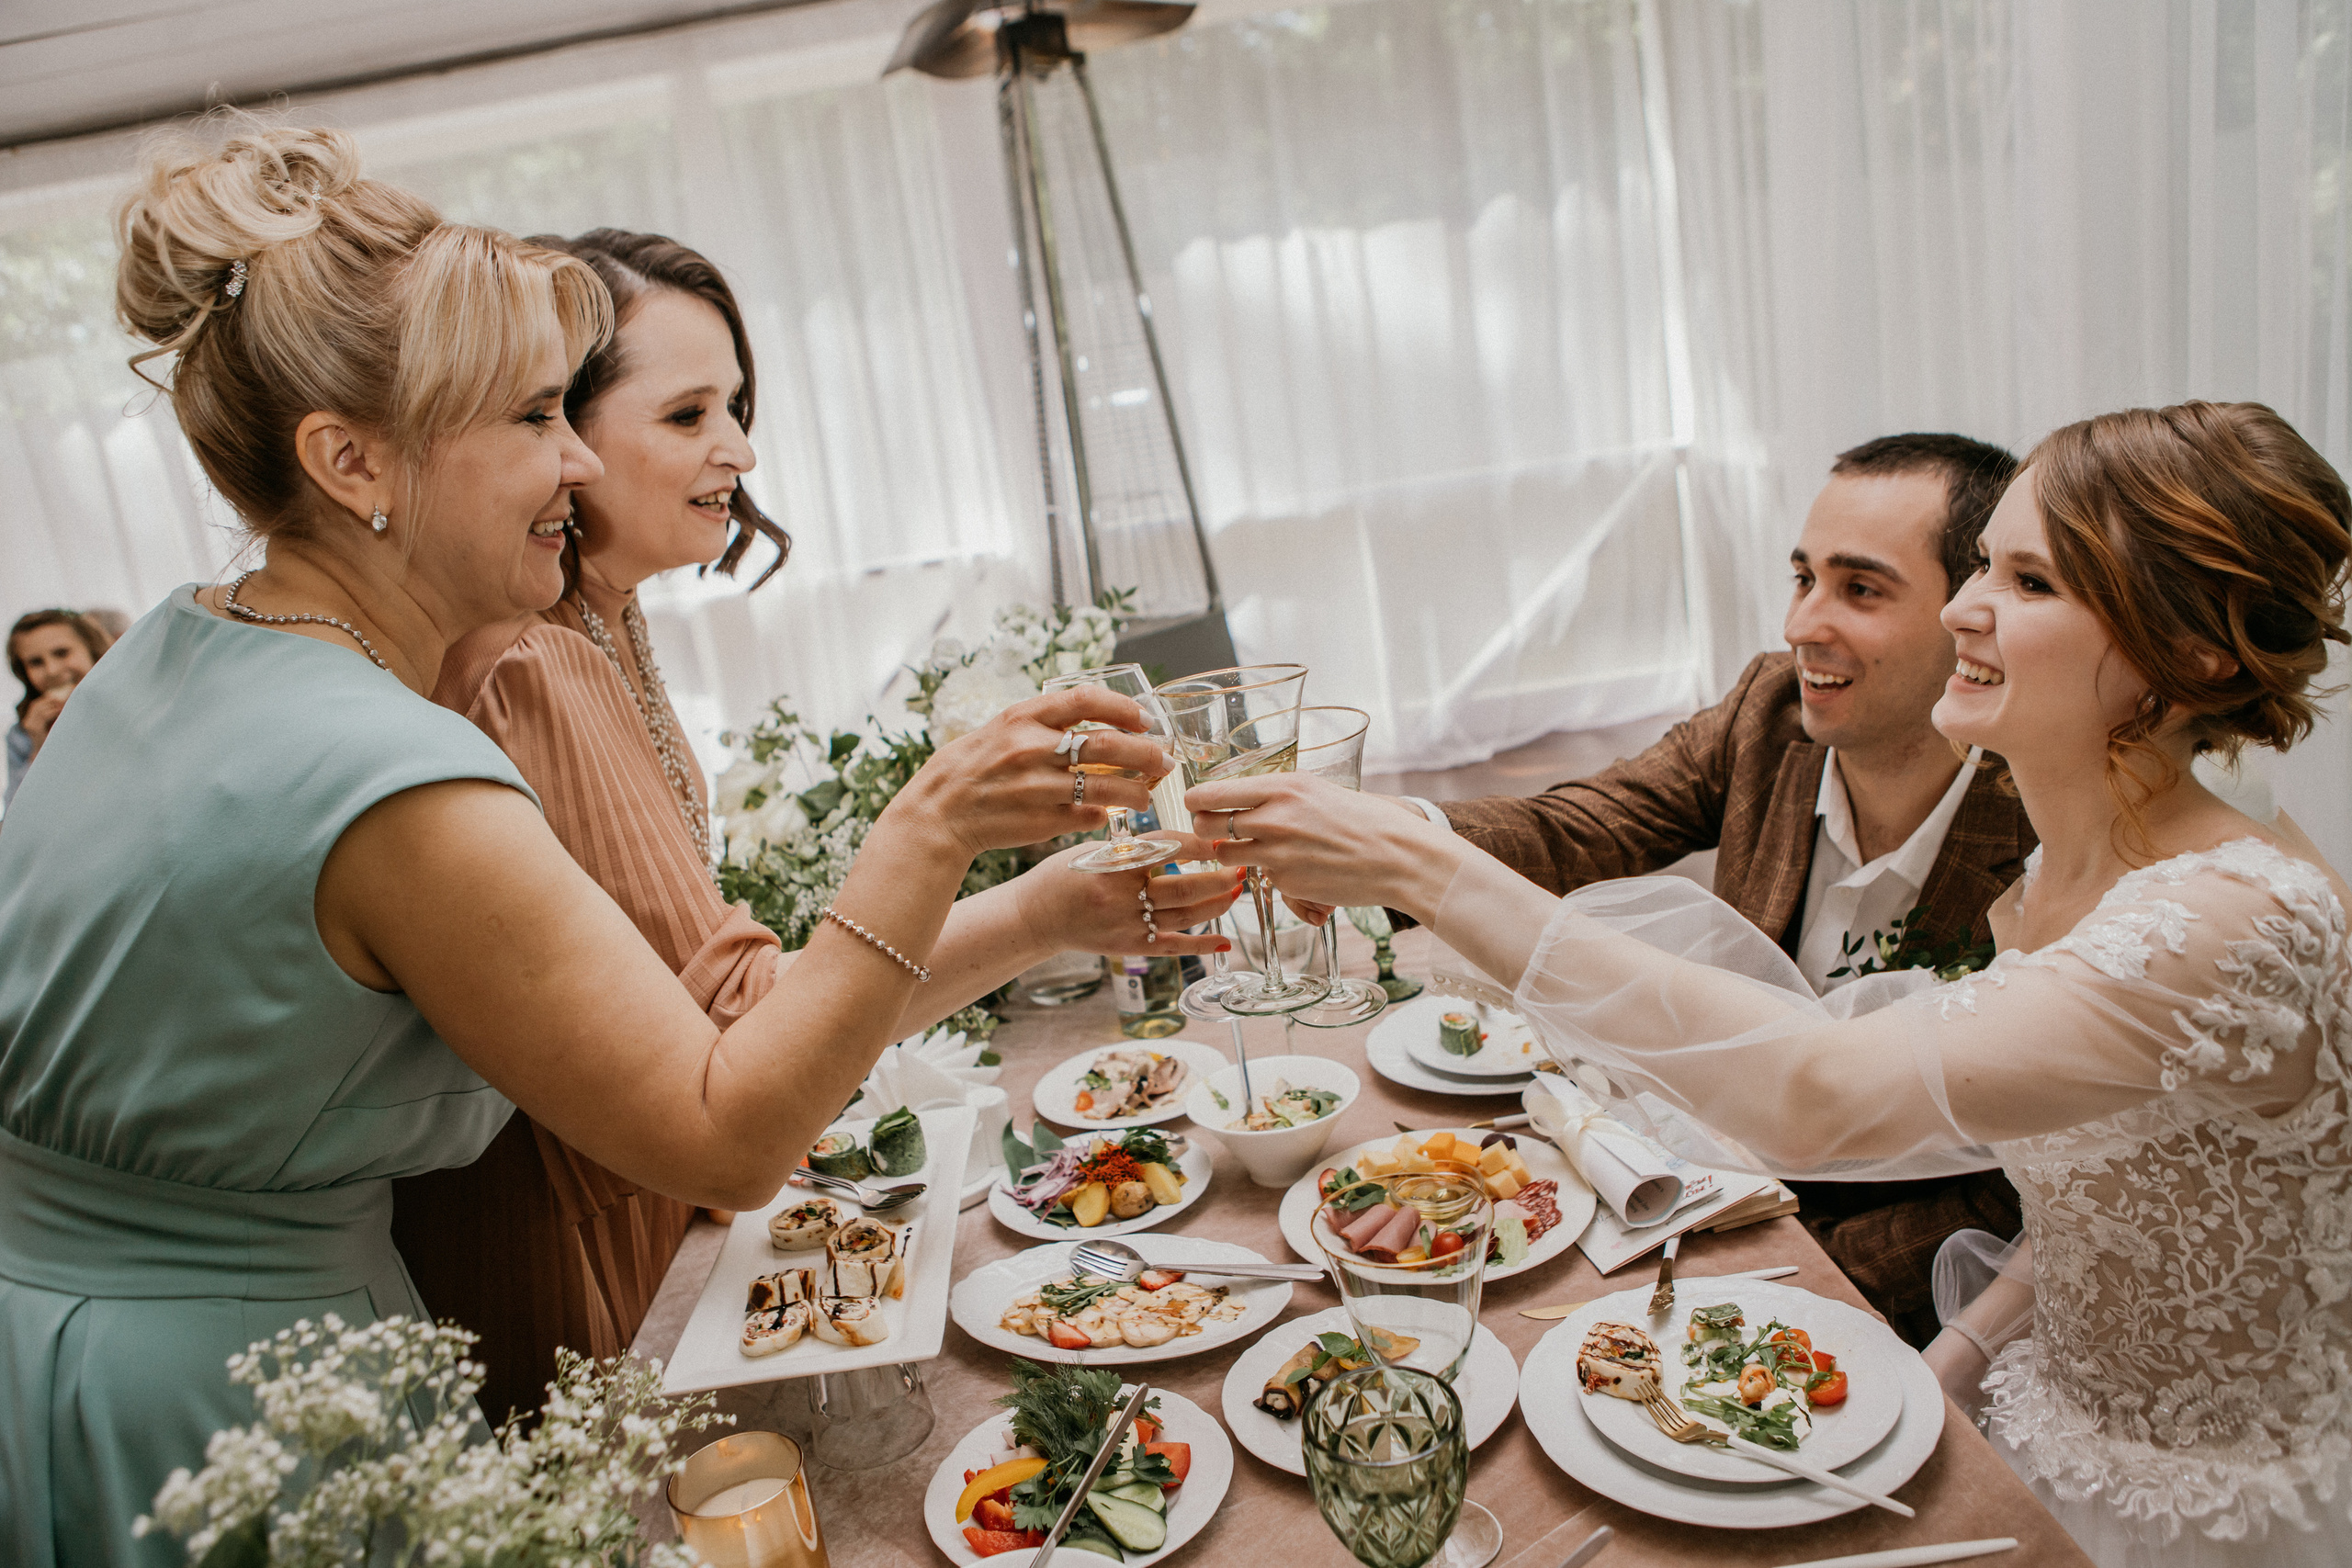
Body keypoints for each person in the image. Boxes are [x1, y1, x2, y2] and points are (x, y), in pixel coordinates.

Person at [0, 120, 1181, 1568]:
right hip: (221, 1397)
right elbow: (728, 1133)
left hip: (49, 1355)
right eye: (530, 416)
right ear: (349, 458)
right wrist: (934, 823)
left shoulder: (174, 644)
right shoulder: (392, 776)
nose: (575, 457)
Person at [1202, 400, 2352, 1565]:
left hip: (2197, 1503)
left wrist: (1418, 866)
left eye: (2030, 582)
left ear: (2195, 653)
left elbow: (1819, 1090)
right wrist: (1957, 1361)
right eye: (1981, 566)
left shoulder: (2230, 920)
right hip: (2033, 1396)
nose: (1965, 608)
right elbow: (2110, 1197)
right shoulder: (2083, 859)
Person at [396, 227, 1240, 1423]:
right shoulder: (534, 658)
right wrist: (1014, 891)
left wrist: (1048, 910)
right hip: (599, 1262)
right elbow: (740, 1025)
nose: (740, 450)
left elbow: (723, 1002)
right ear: (561, 434)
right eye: (687, 414)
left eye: (735, 407)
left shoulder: (604, 618)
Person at [1393, 434, 2030, 1343]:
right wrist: (1388, 836)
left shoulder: (2041, 821)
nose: (1801, 624)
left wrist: (1789, 1276)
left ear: (1971, 615)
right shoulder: (1767, 714)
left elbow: (2017, 1186)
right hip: (1708, 1177)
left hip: (1898, 1283)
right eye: (1802, 578)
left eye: (1860, 589)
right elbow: (1579, 826)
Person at [6, 610, 113, 809]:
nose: (52, 670)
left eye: (62, 653)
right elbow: (16, 814)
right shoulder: (22, 736)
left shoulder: (125, 702)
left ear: (92, 650)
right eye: (35, 662)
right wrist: (38, 745)